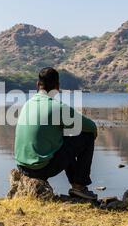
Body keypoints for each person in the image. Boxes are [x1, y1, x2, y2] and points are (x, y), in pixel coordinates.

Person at [14, 67, 99, 200]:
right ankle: (79, 186)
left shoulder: (27, 104)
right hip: (40, 169)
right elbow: (92, 127)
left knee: (64, 138)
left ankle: (76, 184)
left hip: (22, 166)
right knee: (86, 137)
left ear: (37, 84)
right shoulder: (57, 107)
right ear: (57, 86)